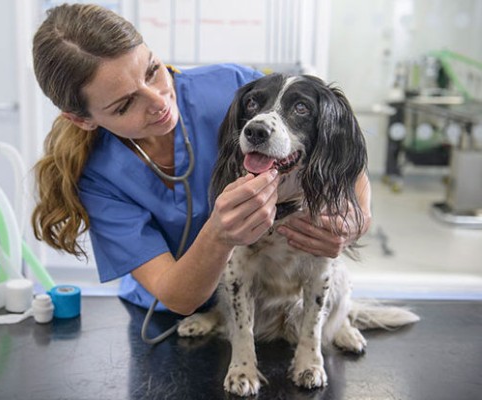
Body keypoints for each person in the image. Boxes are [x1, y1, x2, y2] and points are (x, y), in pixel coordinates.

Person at [31, 3, 371, 316]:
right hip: (170, 317)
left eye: (152, 70)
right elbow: (177, 296)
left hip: (263, 301)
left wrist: (356, 220)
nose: (159, 101)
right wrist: (219, 235)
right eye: (124, 105)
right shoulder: (98, 177)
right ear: (83, 119)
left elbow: (336, 148)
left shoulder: (234, 88)